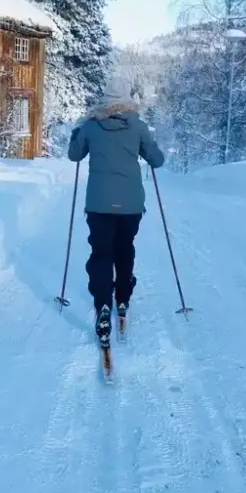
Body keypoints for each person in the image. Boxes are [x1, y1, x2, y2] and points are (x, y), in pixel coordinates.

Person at [68, 88, 165, 346]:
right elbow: (157, 160)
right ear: (127, 105)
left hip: (99, 205)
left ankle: (103, 304)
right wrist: (149, 143)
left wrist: (76, 132)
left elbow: (74, 155)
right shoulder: (139, 127)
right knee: (125, 249)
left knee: (101, 253)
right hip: (131, 205)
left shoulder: (90, 126)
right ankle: (122, 299)